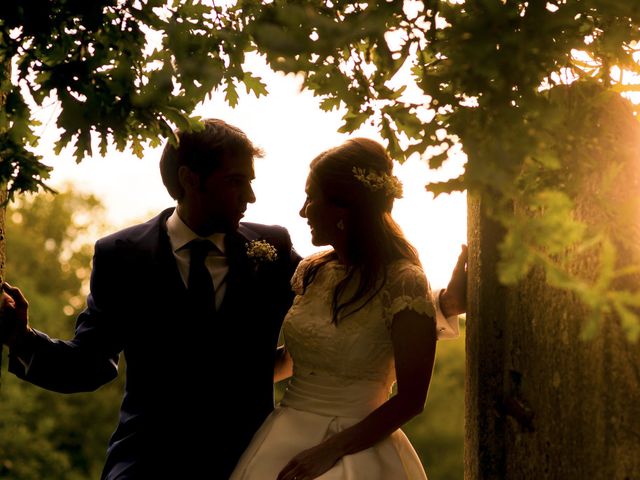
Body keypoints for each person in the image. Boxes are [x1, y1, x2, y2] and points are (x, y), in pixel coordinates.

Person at [0, 119, 301, 479]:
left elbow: (332, 311)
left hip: (251, 463)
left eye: (250, 182)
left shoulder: (274, 250)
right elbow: (90, 364)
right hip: (149, 462)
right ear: (190, 179)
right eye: (236, 181)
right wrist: (21, 338)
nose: (250, 196)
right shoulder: (121, 255)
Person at [230, 138, 465, 480]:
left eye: (312, 197)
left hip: (358, 447)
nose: (302, 210)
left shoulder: (404, 280)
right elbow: (302, 358)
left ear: (344, 207)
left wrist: (328, 451)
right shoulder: (311, 271)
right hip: (282, 438)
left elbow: (411, 400)